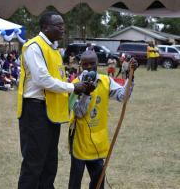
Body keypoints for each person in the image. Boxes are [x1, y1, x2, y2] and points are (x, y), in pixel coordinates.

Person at [17, 11, 90, 189]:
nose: (62, 28)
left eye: (63, 25)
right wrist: (73, 87)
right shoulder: (34, 46)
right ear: (45, 27)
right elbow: (43, 80)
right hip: (35, 111)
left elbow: (57, 80)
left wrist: (76, 87)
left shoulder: (54, 49)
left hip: (51, 113)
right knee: (33, 163)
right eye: (58, 25)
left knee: (50, 163)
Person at [68, 50, 137, 189]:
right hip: (79, 140)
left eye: (92, 64)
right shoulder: (75, 85)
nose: (88, 67)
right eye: (85, 64)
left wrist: (131, 76)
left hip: (97, 140)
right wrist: (86, 93)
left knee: (99, 179)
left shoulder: (106, 81)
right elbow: (79, 113)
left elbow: (123, 97)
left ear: (97, 64)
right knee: (75, 179)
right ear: (80, 65)